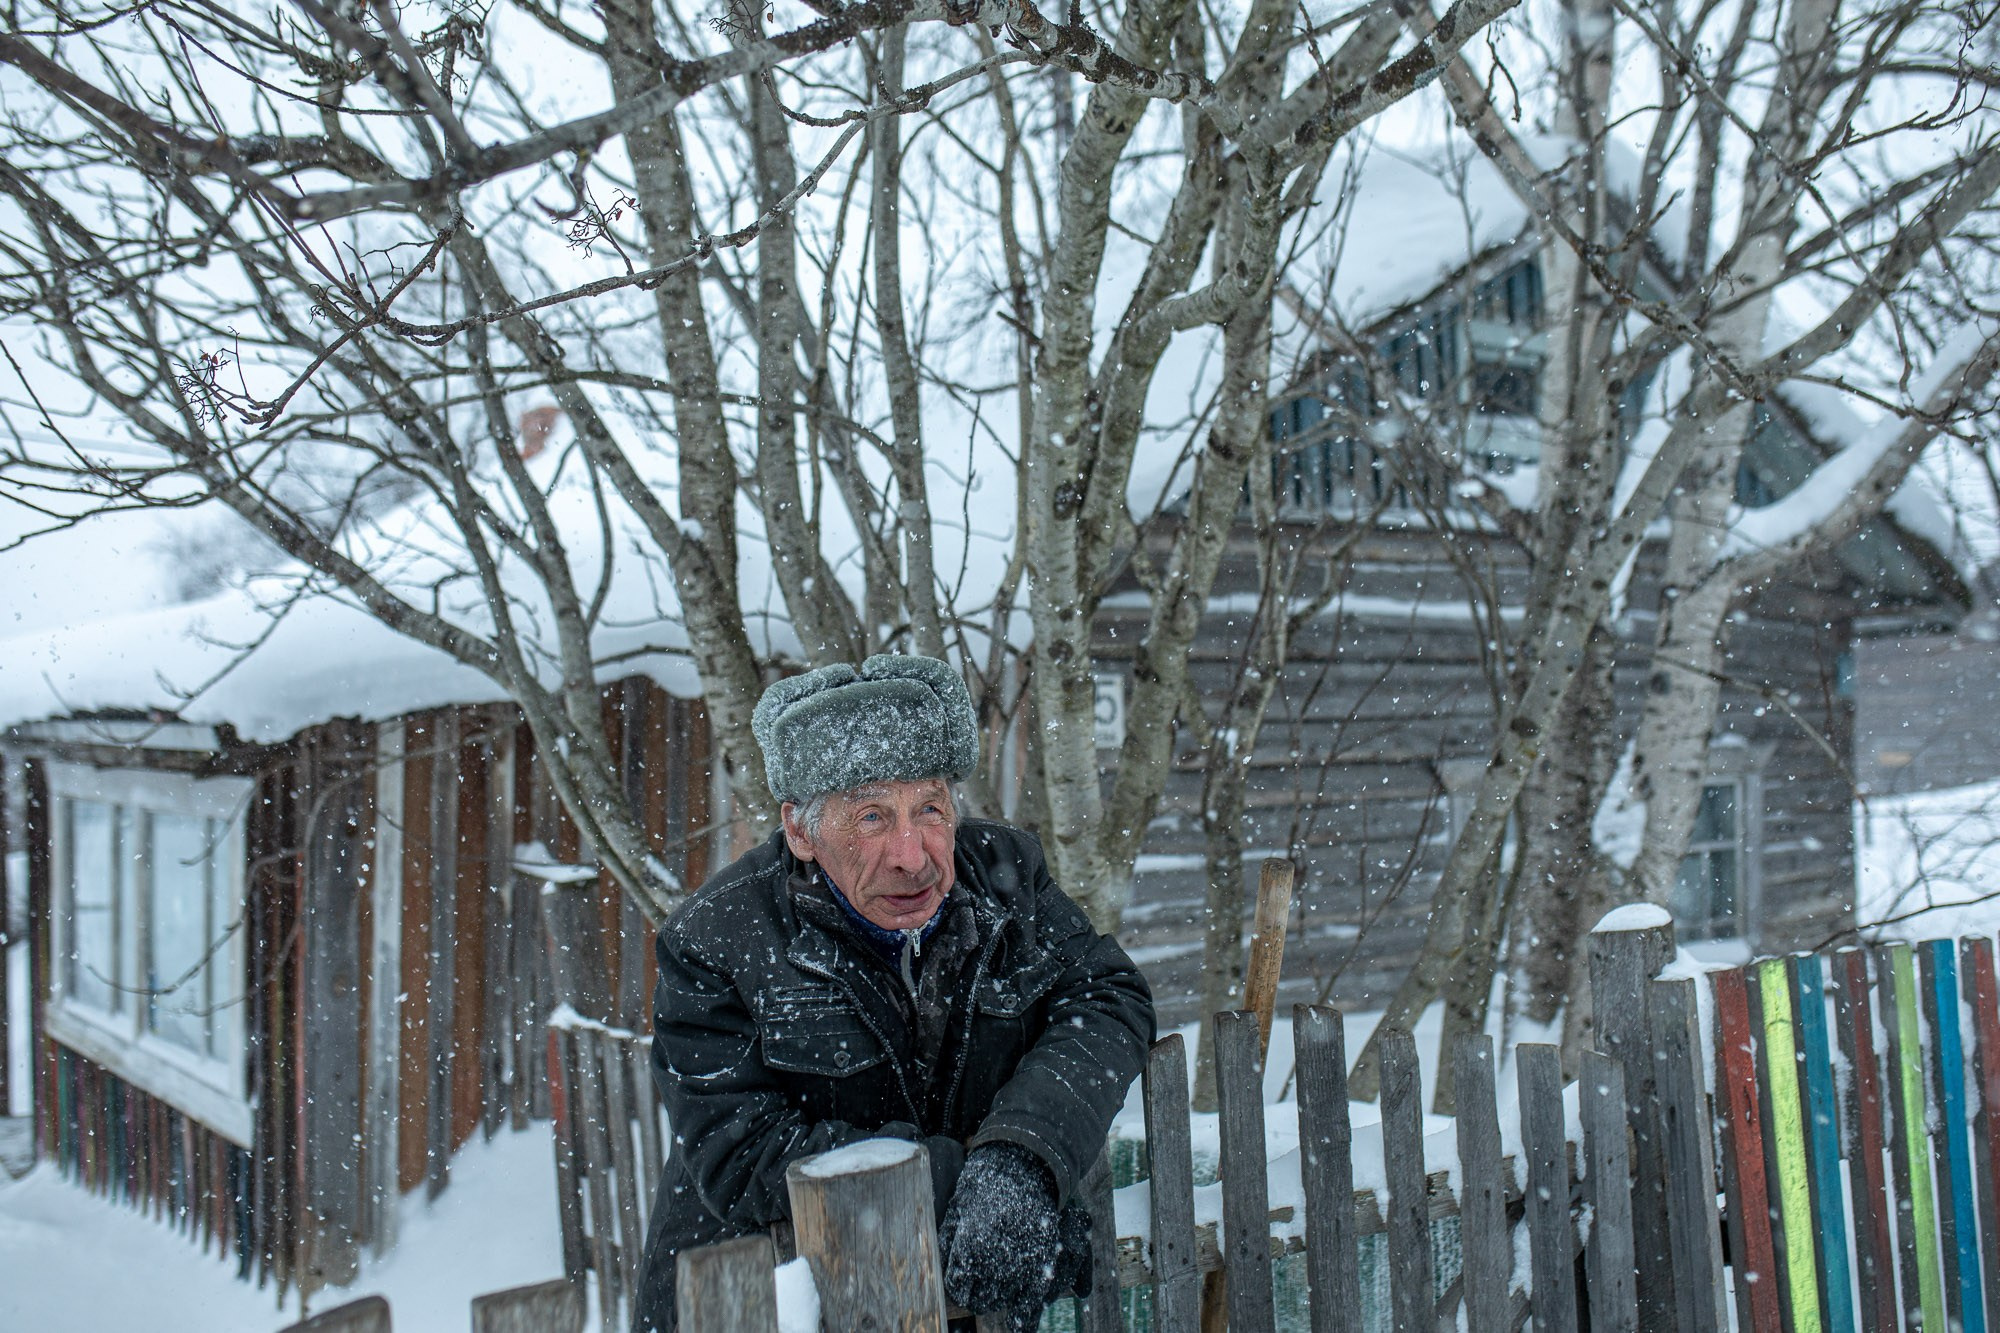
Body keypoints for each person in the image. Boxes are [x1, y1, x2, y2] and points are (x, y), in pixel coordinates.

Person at [632, 654, 1155, 1332]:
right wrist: (960, 1181)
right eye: (873, 817)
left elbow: (1109, 997)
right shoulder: (716, 940)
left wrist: (1023, 1156)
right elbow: (743, 1151)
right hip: (783, 1303)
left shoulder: (1005, 877)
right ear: (801, 831)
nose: (912, 854)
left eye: (929, 808)